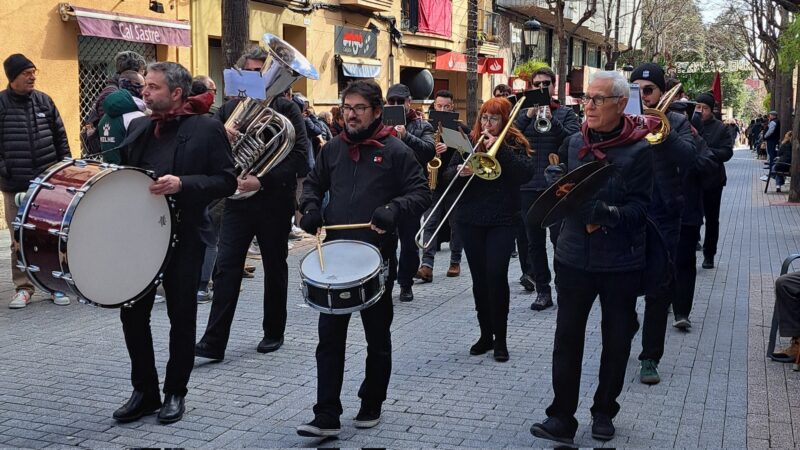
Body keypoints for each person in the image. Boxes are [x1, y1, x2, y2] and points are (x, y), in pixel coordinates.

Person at [296, 80, 430, 437]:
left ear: (375, 111)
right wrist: (309, 207)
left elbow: (420, 192)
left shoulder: (396, 150)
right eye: (346, 107)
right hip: (335, 256)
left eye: (358, 108)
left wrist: (393, 208)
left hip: (376, 257)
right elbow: (313, 183)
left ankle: (372, 401)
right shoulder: (333, 149)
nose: (350, 114)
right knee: (329, 338)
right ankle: (326, 415)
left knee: (377, 336)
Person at [530, 71, 654, 445]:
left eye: (599, 99)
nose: (591, 105)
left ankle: (604, 410)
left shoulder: (640, 149)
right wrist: (557, 186)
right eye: (588, 98)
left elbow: (642, 211)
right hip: (573, 258)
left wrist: (606, 213)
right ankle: (561, 418)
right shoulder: (572, 142)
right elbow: (567, 192)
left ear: (620, 103)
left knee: (616, 340)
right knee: (567, 339)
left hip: (620, 263)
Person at [112, 61, 237, 424]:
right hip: (143, 236)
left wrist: (184, 184)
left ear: (177, 93)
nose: (145, 92)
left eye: (153, 87)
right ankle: (145, 391)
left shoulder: (206, 128)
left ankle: (174, 392)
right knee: (132, 313)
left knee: (181, 317)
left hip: (185, 236)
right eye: (145, 86)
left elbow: (226, 181)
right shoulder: (139, 127)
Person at [195, 47, 310, 360]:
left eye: (265, 72)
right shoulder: (226, 111)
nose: (259, 78)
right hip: (237, 202)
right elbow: (206, 151)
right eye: (252, 72)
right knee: (226, 267)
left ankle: (274, 331)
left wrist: (263, 180)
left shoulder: (288, 110)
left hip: (273, 201)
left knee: (275, 267)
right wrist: (221, 135)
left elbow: (301, 159)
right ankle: (213, 341)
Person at [444, 97, 535, 362]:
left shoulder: (514, 143)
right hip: (470, 219)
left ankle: (502, 339)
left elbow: (525, 174)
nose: (487, 123)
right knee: (480, 280)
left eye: (494, 118)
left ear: (504, 121)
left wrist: (499, 149)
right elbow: (448, 175)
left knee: (496, 275)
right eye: (484, 117)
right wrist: (460, 172)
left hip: (503, 219)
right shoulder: (467, 141)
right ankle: (486, 334)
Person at [629, 68, 696, 385]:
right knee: (621, 283)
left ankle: (650, 357)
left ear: (661, 92)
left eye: (649, 90)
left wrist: (663, 132)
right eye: (637, 89)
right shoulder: (622, 119)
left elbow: (691, 158)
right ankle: (626, 324)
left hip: (665, 214)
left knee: (659, 289)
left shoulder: (679, 121)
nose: (643, 96)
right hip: (628, 212)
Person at [1, 54, 71, 309]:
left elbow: (60, 137)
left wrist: (64, 170)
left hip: (47, 184)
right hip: (15, 184)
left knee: (49, 236)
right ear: (13, 77)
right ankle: (23, 287)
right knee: (18, 238)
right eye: (26, 73)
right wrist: (5, 169)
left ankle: (54, 285)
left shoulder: (44, 101)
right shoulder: (1, 104)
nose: (32, 76)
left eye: (34, 71)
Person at [514, 66, 580, 309]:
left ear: (553, 87)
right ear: (532, 87)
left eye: (546, 84)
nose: (542, 88)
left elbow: (573, 142)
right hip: (528, 186)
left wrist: (554, 122)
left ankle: (564, 287)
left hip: (555, 187)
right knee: (534, 243)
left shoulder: (565, 114)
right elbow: (510, 138)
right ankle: (543, 290)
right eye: (537, 84)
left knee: (558, 240)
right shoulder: (522, 112)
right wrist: (527, 116)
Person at [386, 83, 435, 302]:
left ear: (408, 102)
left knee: (408, 242)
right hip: (385, 190)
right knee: (386, 240)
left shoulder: (422, 125)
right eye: (392, 102)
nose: (396, 105)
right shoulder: (379, 124)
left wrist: (406, 136)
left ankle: (406, 283)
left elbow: (428, 151)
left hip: (411, 191)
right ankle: (388, 279)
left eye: (400, 102)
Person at [415, 89, 468, 282]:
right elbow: (419, 152)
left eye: (447, 106)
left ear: (452, 107)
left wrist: (450, 146)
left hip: (453, 182)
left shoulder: (459, 128)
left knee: (456, 224)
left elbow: (467, 152)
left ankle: (455, 261)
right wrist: (431, 150)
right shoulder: (427, 127)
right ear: (434, 106)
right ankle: (426, 265)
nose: (443, 109)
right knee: (430, 223)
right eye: (439, 106)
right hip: (433, 182)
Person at [695, 92, 734, 269]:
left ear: (711, 110)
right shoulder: (688, 124)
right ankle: (692, 244)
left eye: (705, 108)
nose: (700, 111)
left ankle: (709, 253)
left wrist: (707, 152)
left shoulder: (721, 128)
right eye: (698, 107)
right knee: (692, 217)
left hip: (712, 180)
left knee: (712, 219)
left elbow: (727, 153)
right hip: (692, 178)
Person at [97, 70, 147, 164]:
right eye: (144, 86)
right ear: (138, 88)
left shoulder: (106, 116)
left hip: (109, 172)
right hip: (130, 174)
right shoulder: (136, 116)